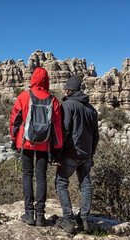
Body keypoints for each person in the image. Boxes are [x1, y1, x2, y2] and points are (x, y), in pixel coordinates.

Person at [10, 67, 63, 226]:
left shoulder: (24, 96)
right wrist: (57, 147)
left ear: (32, 79)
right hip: (44, 143)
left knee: (27, 174)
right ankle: (40, 215)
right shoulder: (52, 99)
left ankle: (29, 214)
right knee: (41, 176)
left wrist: (14, 139)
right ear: (46, 81)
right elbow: (56, 126)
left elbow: (15, 120)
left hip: (26, 141)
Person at [55, 75, 99, 233]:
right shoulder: (91, 109)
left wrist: (57, 154)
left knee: (61, 183)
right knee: (85, 184)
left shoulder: (67, 105)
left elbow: (64, 130)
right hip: (86, 154)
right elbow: (96, 136)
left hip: (70, 153)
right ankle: (84, 217)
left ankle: (68, 218)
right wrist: (91, 154)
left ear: (68, 90)